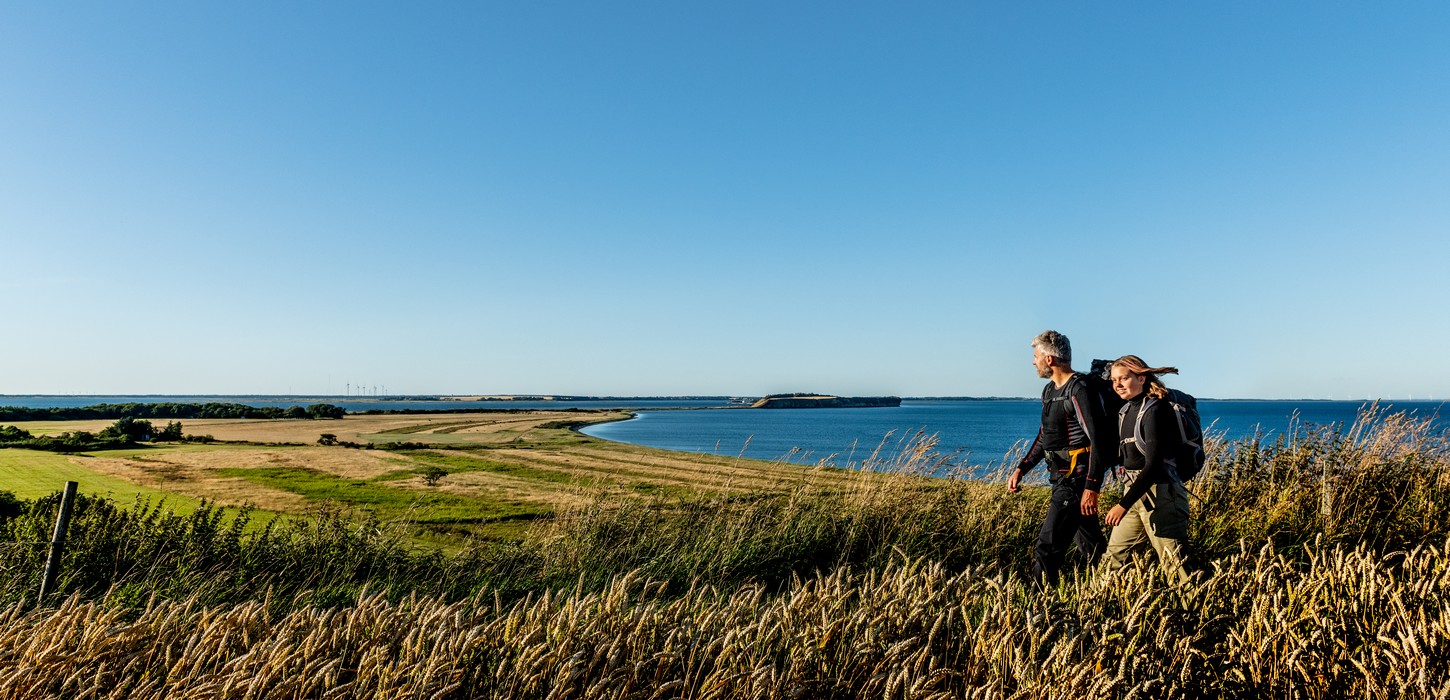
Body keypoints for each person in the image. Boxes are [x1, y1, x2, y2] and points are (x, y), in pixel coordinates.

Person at [1007, 330, 1109, 585]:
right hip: (1060, 477)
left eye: (1036, 356)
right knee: (1092, 546)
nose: (1033, 361)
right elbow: (1045, 436)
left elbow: (1098, 440)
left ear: (1049, 359)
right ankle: (1114, 588)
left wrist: (1091, 487)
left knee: (1047, 546)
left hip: (1075, 481)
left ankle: (1041, 601)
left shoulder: (1079, 390)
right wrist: (1022, 468)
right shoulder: (1049, 391)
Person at [1102, 354, 1194, 583]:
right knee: (1113, 560)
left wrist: (1122, 505)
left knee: (1176, 565)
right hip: (1134, 492)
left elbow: (1153, 467)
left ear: (1141, 378)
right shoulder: (1125, 411)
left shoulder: (1155, 410)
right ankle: (1106, 602)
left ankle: (1196, 604)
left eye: (1124, 378)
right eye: (1114, 380)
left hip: (1162, 495)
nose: (1118, 384)